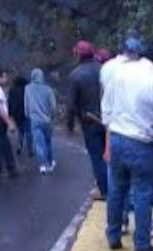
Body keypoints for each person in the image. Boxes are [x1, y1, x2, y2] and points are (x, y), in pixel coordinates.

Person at [102, 37, 153, 251]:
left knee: (116, 189)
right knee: (143, 192)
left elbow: (106, 106)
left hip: (117, 138)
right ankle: (142, 244)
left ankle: (113, 236)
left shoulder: (120, 72)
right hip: (141, 144)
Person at [67, 40, 107, 198]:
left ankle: (105, 190)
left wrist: (70, 126)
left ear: (78, 54)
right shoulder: (104, 70)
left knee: (97, 157)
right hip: (109, 120)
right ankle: (113, 186)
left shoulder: (75, 75)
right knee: (109, 155)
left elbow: (70, 106)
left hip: (90, 122)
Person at [25, 68, 57, 174]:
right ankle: (51, 162)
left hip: (34, 119)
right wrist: (53, 116)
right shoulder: (48, 89)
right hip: (47, 119)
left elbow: (26, 105)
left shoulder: (27, 89)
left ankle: (43, 165)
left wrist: (28, 115)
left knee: (39, 143)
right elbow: (53, 106)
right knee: (48, 142)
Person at [8, 76, 33, 157]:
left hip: (17, 115)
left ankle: (19, 145)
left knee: (21, 131)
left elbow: (9, 103)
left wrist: (10, 115)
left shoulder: (12, 90)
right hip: (27, 113)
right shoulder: (28, 90)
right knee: (29, 132)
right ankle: (30, 149)